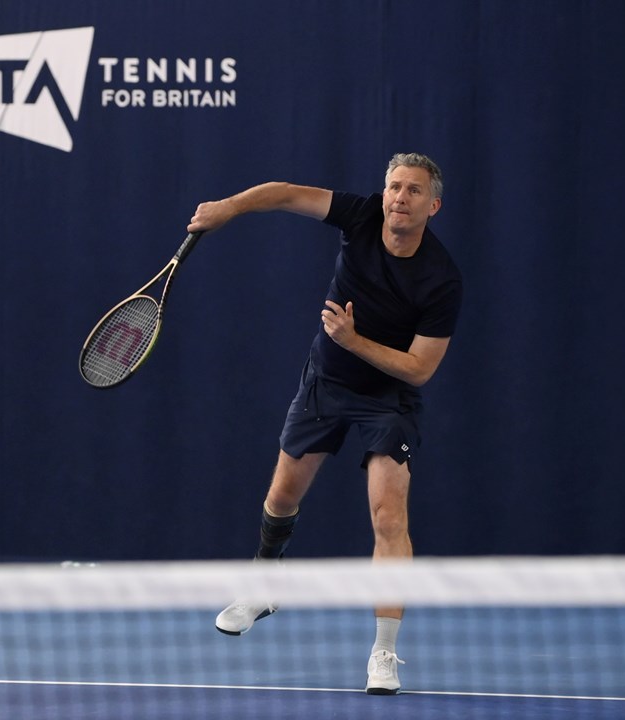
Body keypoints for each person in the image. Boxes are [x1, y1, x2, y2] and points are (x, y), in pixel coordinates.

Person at [187, 153, 463, 695]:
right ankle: (264, 587)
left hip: (389, 397)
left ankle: (384, 651)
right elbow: (287, 192)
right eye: (394, 187)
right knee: (282, 496)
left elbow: (420, 369)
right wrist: (228, 208)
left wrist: (353, 341)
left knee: (388, 517)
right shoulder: (359, 216)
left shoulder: (441, 279)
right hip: (328, 382)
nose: (399, 198)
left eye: (413, 191)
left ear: (432, 205)